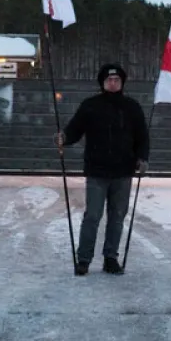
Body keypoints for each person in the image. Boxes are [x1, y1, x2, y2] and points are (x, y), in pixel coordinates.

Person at [55, 63, 150, 276]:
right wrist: (64, 138)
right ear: (103, 83)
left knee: (117, 217)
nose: (113, 83)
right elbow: (75, 130)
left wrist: (142, 158)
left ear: (122, 83)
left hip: (123, 172)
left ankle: (110, 258)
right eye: (109, 80)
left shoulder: (132, 107)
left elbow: (142, 137)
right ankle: (84, 259)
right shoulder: (90, 105)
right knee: (92, 216)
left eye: (117, 80)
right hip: (97, 172)